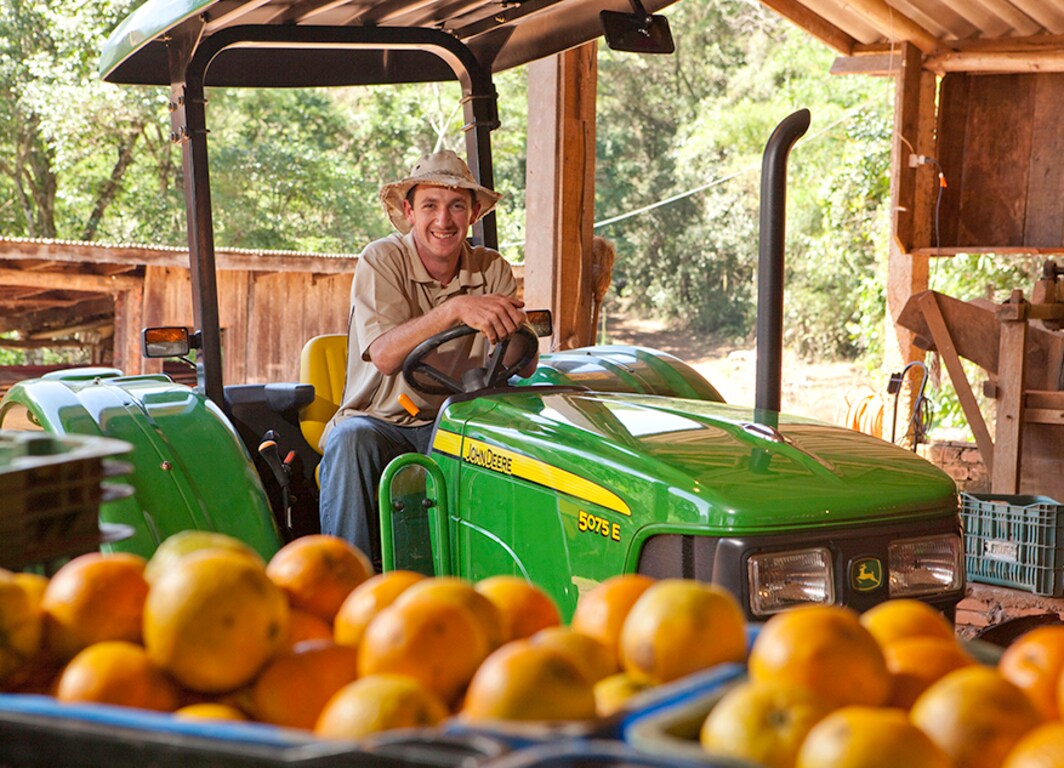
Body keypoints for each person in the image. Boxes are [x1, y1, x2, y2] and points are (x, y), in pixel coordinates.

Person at [318, 149, 536, 566]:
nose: (443, 220)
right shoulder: (382, 259)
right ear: (408, 211)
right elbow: (383, 355)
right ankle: (347, 588)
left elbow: (519, 365)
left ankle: (503, 577)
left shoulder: (492, 269)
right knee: (351, 441)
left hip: (457, 421)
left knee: (516, 440)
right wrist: (455, 310)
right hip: (383, 422)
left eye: (457, 206)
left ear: (473, 213)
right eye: (430, 206)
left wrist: (521, 345)